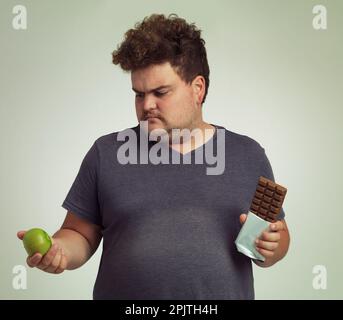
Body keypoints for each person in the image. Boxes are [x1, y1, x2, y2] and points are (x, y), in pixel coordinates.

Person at [17, 13, 290, 299]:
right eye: (138, 94)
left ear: (198, 88)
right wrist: (59, 251)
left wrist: (274, 246)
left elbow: (273, 240)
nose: (147, 105)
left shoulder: (247, 155)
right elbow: (80, 235)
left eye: (160, 92)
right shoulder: (106, 153)